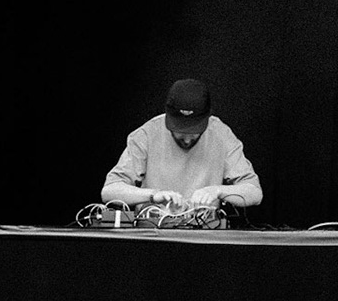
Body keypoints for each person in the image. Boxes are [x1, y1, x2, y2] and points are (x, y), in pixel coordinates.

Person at [102, 79, 263, 210]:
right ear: (168, 116)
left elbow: (254, 193)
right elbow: (109, 191)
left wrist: (217, 191)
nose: (186, 139)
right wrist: (153, 195)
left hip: (206, 237)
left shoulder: (221, 134)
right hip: (154, 236)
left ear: (207, 118)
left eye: (194, 132)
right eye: (179, 131)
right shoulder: (146, 134)